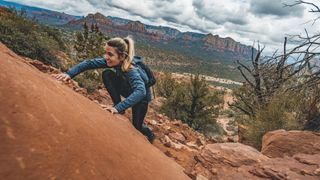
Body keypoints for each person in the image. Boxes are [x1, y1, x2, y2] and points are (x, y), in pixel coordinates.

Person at [53, 36, 156, 143]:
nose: (106, 57)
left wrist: (118, 108)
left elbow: (140, 91)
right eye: (105, 53)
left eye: (110, 54)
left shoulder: (131, 70)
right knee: (107, 74)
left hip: (141, 98)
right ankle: (117, 105)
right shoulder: (113, 60)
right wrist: (69, 74)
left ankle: (150, 134)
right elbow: (89, 63)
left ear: (121, 57)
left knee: (137, 126)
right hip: (129, 88)